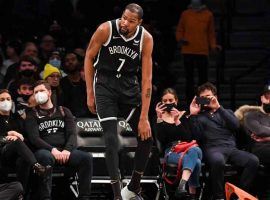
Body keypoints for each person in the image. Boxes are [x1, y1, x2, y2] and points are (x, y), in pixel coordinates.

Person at [84, 3, 153, 200]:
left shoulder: (146, 39)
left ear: (139, 23)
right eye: (124, 18)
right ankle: (117, 195)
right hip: (105, 84)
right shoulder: (105, 29)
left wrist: (144, 116)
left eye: (131, 21)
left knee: (147, 138)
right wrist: (90, 92)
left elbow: (147, 79)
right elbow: (89, 57)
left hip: (129, 87)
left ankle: (133, 187)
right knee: (111, 139)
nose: (125, 23)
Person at [189, 82, 259, 200]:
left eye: (208, 96)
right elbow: (196, 136)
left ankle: (238, 194)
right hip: (212, 149)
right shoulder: (199, 117)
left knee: (253, 160)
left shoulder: (226, 112)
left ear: (215, 97)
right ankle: (219, 197)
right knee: (218, 161)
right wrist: (193, 115)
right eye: (203, 97)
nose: (206, 99)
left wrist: (219, 108)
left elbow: (236, 126)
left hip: (231, 148)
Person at [24, 80, 93, 200]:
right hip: (44, 151)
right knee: (45, 157)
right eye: (36, 92)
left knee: (86, 158)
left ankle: (84, 197)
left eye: (42, 91)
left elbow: (72, 134)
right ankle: (45, 197)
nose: (39, 94)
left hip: (64, 151)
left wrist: (67, 150)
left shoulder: (64, 111)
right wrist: (53, 150)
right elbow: (34, 139)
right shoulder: (31, 114)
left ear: (49, 92)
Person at [155, 88, 202, 199]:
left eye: (170, 100)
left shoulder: (184, 115)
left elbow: (188, 138)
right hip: (172, 151)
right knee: (197, 162)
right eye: (164, 101)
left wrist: (177, 120)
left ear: (175, 101)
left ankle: (182, 185)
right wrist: (159, 118)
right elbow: (161, 139)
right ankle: (191, 195)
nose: (167, 103)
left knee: (194, 150)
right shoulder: (158, 118)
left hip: (188, 147)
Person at [0, 89, 50, 192]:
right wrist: (7, 136)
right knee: (16, 141)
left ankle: (22, 194)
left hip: (18, 154)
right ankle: (37, 167)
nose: (5, 101)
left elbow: (27, 137)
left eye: (8, 99)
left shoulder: (17, 118)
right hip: (3, 154)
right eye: (2, 99)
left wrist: (21, 137)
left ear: (12, 102)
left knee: (23, 160)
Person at [175, 0, 221, 103]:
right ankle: (190, 102)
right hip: (188, 50)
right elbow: (180, 30)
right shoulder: (186, 14)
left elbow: (211, 33)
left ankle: (203, 101)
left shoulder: (208, 15)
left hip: (202, 51)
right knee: (189, 79)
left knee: (203, 79)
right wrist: (181, 39)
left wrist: (213, 46)